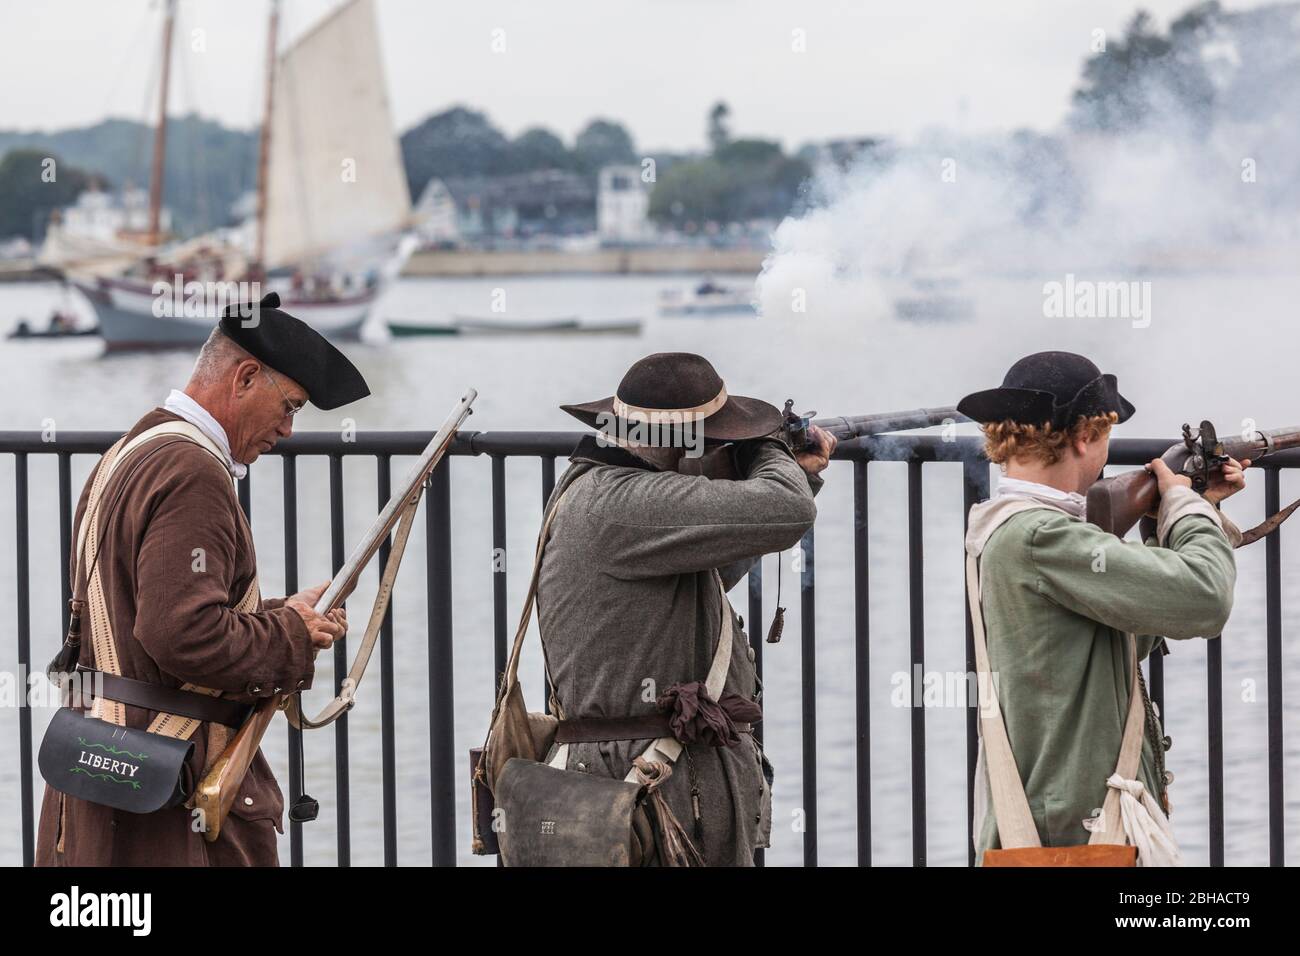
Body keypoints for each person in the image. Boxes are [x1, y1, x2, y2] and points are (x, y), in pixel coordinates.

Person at [36, 292, 368, 866]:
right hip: (165, 795)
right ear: (244, 377)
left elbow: (149, 611)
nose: (288, 429)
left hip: (102, 768)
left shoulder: (134, 449)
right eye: (290, 406)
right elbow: (182, 633)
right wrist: (289, 635)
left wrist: (287, 612)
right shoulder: (194, 472)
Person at [534, 351, 835, 866]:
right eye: (718, 435)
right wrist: (766, 446)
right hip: (649, 788)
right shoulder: (624, 502)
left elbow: (710, 581)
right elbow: (787, 510)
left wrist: (791, 472)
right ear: (691, 439)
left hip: (652, 783)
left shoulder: (614, 493)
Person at [957, 350, 1246, 862]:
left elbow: (1140, 627)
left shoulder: (1020, 527)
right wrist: (1184, 507)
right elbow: (1205, 598)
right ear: (1086, 435)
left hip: (1079, 818)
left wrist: (1190, 509)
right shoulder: (1041, 535)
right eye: (1106, 436)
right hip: (1077, 829)